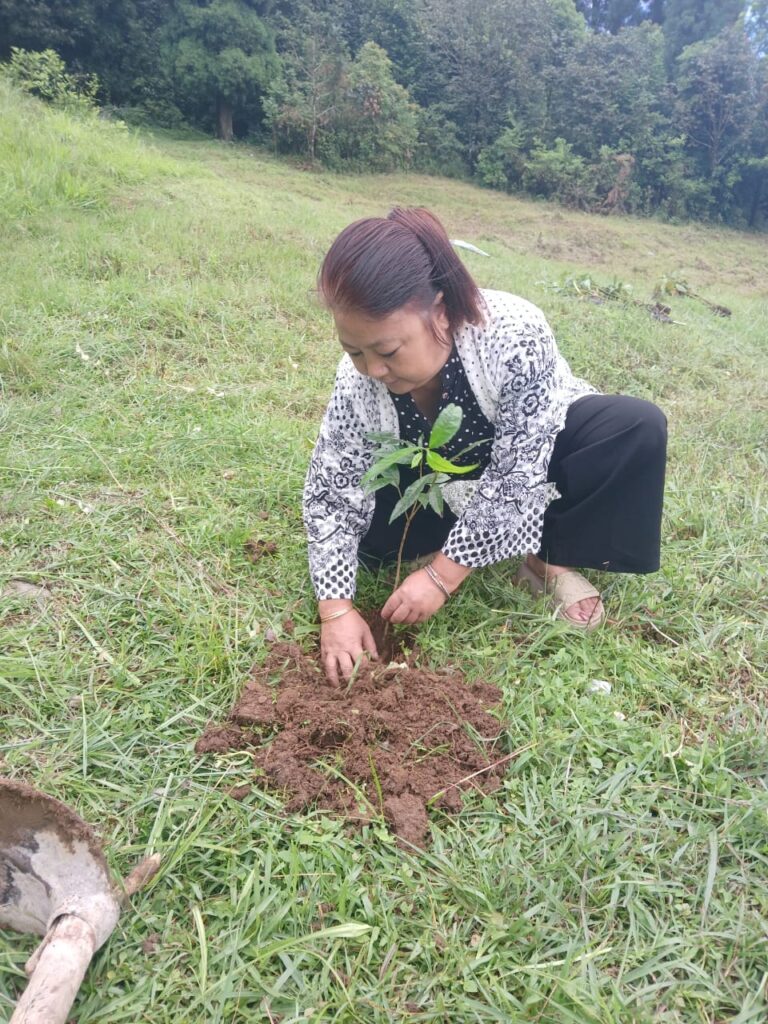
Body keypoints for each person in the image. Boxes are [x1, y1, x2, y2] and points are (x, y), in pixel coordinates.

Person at [303, 207, 667, 684]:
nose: (372, 369)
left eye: (388, 351)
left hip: (526, 461)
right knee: (368, 542)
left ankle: (546, 559)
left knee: (634, 428)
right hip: (434, 481)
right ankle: (454, 542)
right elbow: (332, 490)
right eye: (354, 350)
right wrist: (335, 611)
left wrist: (441, 578)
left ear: (440, 312)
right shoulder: (356, 382)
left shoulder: (513, 333)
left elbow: (518, 473)